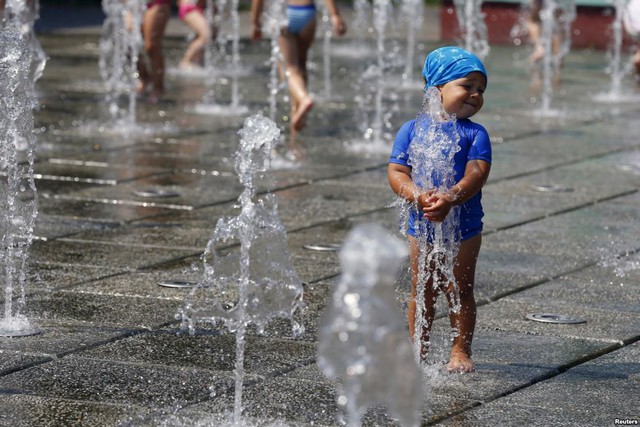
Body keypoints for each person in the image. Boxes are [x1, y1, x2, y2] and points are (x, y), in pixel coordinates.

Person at [387, 46, 492, 373]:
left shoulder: (475, 133)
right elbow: (396, 172)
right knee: (423, 289)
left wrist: (452, 196)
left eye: (481, 89)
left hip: (465, 227)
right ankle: (417, 346)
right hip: (422, 226)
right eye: (467, 85)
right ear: (437, 90)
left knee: (460, 288)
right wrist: (417, 195)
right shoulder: (411, 130)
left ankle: (460, 349)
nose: (475, 94)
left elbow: (477, 173)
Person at [250, 0, 346, 140]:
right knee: (301, 64)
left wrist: (255, 21)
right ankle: (297, 117)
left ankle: (304, 99)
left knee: (289, 68)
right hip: (308, 13)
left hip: (285, 14)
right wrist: (335, 14)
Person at [137, 0, 171, 103]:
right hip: (132, 3)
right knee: (126, 45)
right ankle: (144, 77)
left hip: (156, 3)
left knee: (152, 46)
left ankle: (158, 87)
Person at [178, 0, 217, 70]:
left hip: (203, 7)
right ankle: (186, 62)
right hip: (190, 7)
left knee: (212, 34)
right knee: (206, 35)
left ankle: (199, 61)